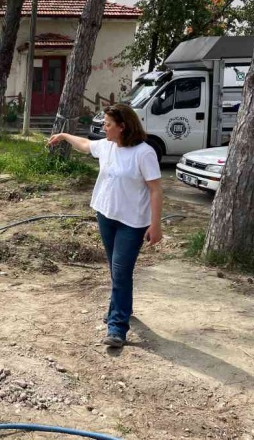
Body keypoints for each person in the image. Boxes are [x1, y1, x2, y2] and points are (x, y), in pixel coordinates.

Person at [48, 103, 163, 348]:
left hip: (132, 223)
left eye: (108, 124)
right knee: (115, 269)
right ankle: (122, 308)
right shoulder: (107, 146)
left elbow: (155, 190)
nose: (104, 127)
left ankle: (117, 327)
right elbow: (85, 145)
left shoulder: (144, 153)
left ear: (123, 127)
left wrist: (156, 226)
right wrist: (64, 136)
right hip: (106, 216)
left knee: (120, 272)